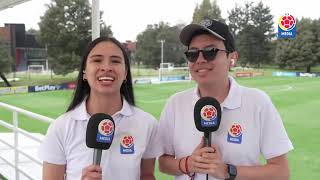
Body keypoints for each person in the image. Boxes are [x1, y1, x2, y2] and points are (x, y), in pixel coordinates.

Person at [157, 18, 293, 180]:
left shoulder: (257, 102)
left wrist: (227, 171)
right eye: (192, 54)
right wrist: (188, 164)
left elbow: (281, 172)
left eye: (210, 51)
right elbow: (164, 163)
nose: (200, 60)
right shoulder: (175, 103)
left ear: (232, 58)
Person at [39, 36, 160, 180]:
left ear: (126, 73)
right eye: (97, 60)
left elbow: (147, 176)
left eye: (115, 61)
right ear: (84, 72)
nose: (106, 67)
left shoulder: (148, 124)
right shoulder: (61, 127)